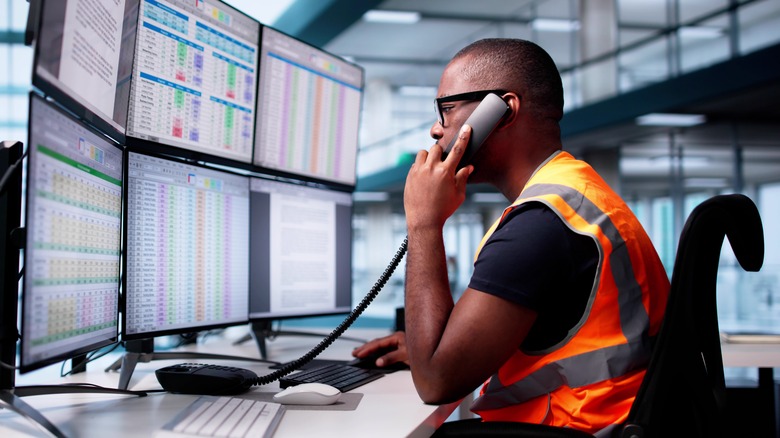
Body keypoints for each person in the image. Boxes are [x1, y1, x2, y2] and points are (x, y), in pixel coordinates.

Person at [351, 38, 670, 435]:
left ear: (502, 112)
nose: (436, 129)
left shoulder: (541, 224)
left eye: (447, 109)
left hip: (577, 428)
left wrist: (423, 223)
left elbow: (436, 381)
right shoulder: (575, 194)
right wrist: (432, 345)